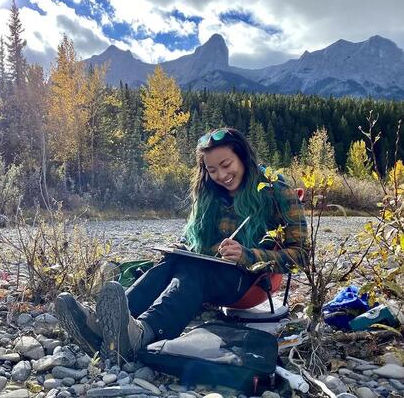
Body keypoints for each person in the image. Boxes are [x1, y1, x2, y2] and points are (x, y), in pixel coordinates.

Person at [55, 127, 308, 361]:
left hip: (252, 281)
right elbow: (192, 238)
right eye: (211, 170)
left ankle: (142, 334)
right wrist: (181, 247)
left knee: (195, 271)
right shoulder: (209, 194)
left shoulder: (276, 190)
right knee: (175, 260)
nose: (220, 175)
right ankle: (104, 329)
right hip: (210, 271)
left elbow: (301, 256)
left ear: (243, 157)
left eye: (226, 164)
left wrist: (247, 254)